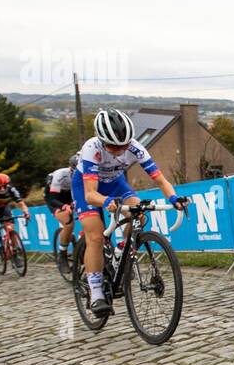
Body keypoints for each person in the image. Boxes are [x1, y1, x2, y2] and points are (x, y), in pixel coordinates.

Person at [74, 110, 185, 313]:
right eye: (114, 146)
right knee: (96, 236)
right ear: (102, 140)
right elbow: (91, 194)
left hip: (116, 184)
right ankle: (96, 291)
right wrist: (106, 201)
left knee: (139, 215)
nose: (119, 150)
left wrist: (174, 199)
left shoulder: (135, 147)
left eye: (124, 146)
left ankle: (119, 254)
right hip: (87, 187)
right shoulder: (92, 148)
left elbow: (159, 179)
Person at [44, 156, 79, 255]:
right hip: (55, 197)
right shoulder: (60, 174)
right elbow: (52, 199)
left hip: (69, 194)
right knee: (69, 223)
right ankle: (62, 255)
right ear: (71, 169)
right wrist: (64, 206)